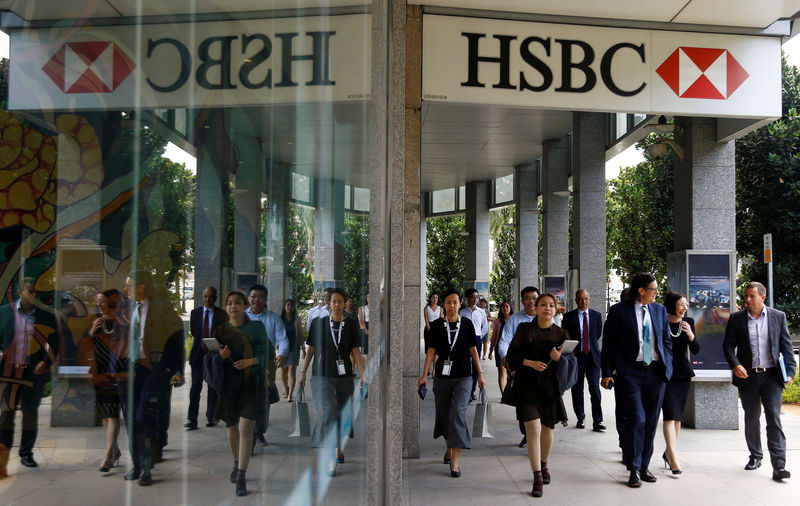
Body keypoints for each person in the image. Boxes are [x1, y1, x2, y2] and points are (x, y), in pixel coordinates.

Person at [601, 273, 672, 488]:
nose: (657, 293)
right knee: (637, 419)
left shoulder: (659, 310)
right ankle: (633, 468)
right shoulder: (618, 311)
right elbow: (609, 345)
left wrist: (668, 365)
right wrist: (607, 372)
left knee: (651, 422)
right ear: (641, 290)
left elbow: (666, 340)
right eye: (653, 289)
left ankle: (644, 466)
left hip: (656, 373)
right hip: (630, 372)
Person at [722, 281, 795, 482]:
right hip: (748, 376)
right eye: (745, 296)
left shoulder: (777, 317)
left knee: (774, 419)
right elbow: (728, 346)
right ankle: (755, 455)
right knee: (752, 417)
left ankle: (779, 466)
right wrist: (735, 364)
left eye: (751, 296)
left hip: (771, 376)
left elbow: (786, 347)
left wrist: (790, 372)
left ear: (762, 297)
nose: (747, 300)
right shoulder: (736, 319)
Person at [506, 293, 574, 498]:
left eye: (551, 305)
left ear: (556, 309)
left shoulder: (561, 334)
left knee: (547, 428)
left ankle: (544, 464)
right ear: (535, 307)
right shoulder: (525, 329)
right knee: (533, 429)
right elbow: (511, 356)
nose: (547, 308)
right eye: (542, 304)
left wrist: (559, 358)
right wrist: (528, 362)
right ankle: (537, 476)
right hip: (527, 384)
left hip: (550, 387)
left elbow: (571, 362)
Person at [122, 270, 185, 486]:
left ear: (141, 287)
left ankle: (146, 463)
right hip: (130, 370)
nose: (126, 290)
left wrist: (177, 370)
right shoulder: (128, 308)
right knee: (131, 419)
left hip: (153, 370)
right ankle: (138, 463)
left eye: (129, 286)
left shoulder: (162, 309)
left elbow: (177, 338)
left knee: (143, 417)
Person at [0, 277, 65, 478]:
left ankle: (26, 454)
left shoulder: (47, 316)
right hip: (8, 374)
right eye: (31, 291)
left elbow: (54, 342)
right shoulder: (3, 312)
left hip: (33, 374)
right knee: (5, 417)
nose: (35, 295)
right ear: (21, 292)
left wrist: (46, 360)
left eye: (37, 292)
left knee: (30, 415)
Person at [418, 289, 485, 479]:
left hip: (464, 376)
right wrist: (424, 375)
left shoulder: (467, 325)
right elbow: (431, 351)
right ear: (444, 305)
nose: (452, 305)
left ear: (460, 303)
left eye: (455, 302)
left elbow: (473, 350)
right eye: (448, 302)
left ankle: (454, 462)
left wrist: (479, 374)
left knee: (457, 413)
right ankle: (449, 445)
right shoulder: (437, 325)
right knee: (443, 416)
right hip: (442, 377)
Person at [299, 288, 366, 477]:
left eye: (340, 301)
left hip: (344, 377)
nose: (337, 305)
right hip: (322, 375)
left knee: (341, 415)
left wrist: (363, 375)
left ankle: (338, 448)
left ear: (345, 303)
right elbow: (311, 349)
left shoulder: (351, 325)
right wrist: (303, 372)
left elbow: (356, 352)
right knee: (328, 412)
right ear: (329, 303)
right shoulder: (319, 323)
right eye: (333, 301)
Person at [214, 291, 274, 496]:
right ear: (225, 307)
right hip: (230, 386)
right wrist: (220, 357)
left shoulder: (256, 328)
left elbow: (268, 353)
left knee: (246, 427)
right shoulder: (221, 331)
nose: (233, 307)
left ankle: (241, 474)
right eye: (229, 303)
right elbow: (211, 359)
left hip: (251, 384)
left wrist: (250, 361)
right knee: (232, 428)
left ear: (244, 305)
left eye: (238, 303)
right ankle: (236, 461)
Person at [86, 289, 128, 472]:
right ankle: (115, 450)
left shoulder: (122, 322)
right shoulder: (96, 322)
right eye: (98, 303)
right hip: (100, 372)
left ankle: (108, 454)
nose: (99, 306)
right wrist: (92, 332)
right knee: (105, 414)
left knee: (112, 413)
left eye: (102, 302)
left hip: (117, 372)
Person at [245, 284, 287, 447]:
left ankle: (258, 432)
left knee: (263, 398)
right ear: (249, 298)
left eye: (260, 297)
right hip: (245, 364)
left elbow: (282, 338)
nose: (256, 300)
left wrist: (282, 354)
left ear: (265, 299)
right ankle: (248, 431)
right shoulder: (243, 317)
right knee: (247, 399)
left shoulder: (273, 318)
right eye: (253, 296)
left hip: (266, 365)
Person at [661, 291, 698, 474]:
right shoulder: (661, 321)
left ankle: (669, 452)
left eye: (686, 305)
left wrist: (691, 336)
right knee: (669, 414)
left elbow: (696, 349)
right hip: (665, 373)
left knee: (677, 417)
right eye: (681, 304)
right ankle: (673, 457)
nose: (684, 308)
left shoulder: (688, 323)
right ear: (672, 304)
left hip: (683, 373)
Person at [498, 286, 540, 448]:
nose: (531, 301)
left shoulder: (547, 317)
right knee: (523, 403)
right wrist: (505, 357)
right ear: (522, 301)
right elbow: (504, 341)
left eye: (534, 298)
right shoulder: (515, 320)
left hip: (542, 369)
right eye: (527, 298)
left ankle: (537, 434)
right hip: (522, 368)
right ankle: (527, 433)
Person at [562, 289, 605, 432]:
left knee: (595, 389)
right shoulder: (568, 317)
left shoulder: (597, 316)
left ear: (589, 299)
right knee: (577, 389)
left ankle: (597, 421)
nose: (583, 302)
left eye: (586, 298)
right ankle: (580, 418)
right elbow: (565, 335)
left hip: (592, 357)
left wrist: (589, 345)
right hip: (577, 357)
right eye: (580, 299)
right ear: (576, 300)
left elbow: (596, 334)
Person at [186, 287, 227, 430]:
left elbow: (224, 334)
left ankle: (211, 417)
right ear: (202, 297)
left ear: (215, 298)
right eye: (205, 296)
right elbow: (195, 332)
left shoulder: (221, 314)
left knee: (212, 387)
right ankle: (192, 420)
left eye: (211, 297)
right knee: (195, 387)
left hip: (213, 355)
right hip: (198, 355)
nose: (208, 299)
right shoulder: (195, 313)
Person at [459, 288, 489, 401]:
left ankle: (472, 391)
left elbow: (485, 327)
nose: (475, 299)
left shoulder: (481, 312)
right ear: (467, 298)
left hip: (477, 339)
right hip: (465, 340)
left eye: (477, 297)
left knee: (476, 366)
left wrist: (478, 337)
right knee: (466, 364)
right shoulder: (462, 312)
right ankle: (465, 391)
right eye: (473, 296)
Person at [280, 299, 305, 402]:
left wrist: (303, 348)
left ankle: (290, 393)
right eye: (288, 305)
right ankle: (286, 388)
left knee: (292, 371)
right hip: (283, 348)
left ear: (294, 308)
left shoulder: (296, 319)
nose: (289, 307)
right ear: (285, 307)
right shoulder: (280, 319)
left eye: (291, 306)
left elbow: (300, 334)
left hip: (294, 348)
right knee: (283, 371)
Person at [489, 301, 512, 392]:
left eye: (507, 306)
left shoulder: (513, 319)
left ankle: (509, 392)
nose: (505, 308)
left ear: (510, 308)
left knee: (510, 372)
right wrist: (491, 350)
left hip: (511, 348)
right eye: (503, 307)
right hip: (499, 348)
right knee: (501, 371)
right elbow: (494, 336)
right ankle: (503, 393)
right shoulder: (498, 321)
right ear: (501, 309)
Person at [423, 293, 444, 377]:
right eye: (433, 297)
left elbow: (440, 319)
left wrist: (438, 330)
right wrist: (429, 328)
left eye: (436, 298)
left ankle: (434, 370)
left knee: (436, 352)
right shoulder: (426, 308)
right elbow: (426, 321)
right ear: (430, 299)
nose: (435, 299)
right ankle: (427, 369)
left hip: (437, 329)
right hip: (429, 329)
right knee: (429, 350)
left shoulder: (441, 308)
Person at [358, 293, 370, 365]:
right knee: (367, 351)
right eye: (368, 297)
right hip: (366, 326)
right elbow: (361, 321)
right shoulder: (362, 308)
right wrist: (365, 329)